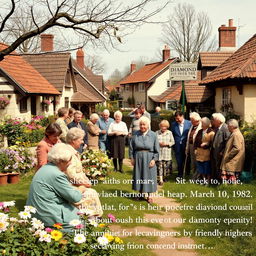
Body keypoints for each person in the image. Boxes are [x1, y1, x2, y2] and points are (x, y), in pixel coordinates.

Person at [26, 143, 85, 232]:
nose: (70, 163)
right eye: (69, 160)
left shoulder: (46, 168)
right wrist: (81, 188)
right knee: (83, 221)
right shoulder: (56, 175)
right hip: (49, 216)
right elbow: (75, 197)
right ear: (61, 161)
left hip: (39, 212)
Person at [66, 128, 103, 217]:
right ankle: (90, 218)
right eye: (81, 139)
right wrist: (84, 183)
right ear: (73, 140)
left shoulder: (73, 152)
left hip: (76, 184)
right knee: (90, 193)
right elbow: (70, 174)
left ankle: (93, 218)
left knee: (92, 192)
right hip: (70, 186)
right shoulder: (68, 153)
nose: (82, 142)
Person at [129, 116, 160, 203]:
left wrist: (154, 160)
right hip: (138, 157)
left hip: (149, 158)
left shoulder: (153, 135)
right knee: (139, 175)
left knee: (149, 176)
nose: (142, 126)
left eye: (144, 124)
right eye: (141, 124)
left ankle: (149, 196)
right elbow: (131, 148)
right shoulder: (135, 134)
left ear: (148, 125)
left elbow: (157, 150)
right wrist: (132, 158)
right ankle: (140, 194)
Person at [221, 119, 245, 183]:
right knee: (231, 178)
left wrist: (228, 155)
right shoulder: (234, 133)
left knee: (232, 178)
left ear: (232, 126)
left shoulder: (236, 134)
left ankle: (232, 190)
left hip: (233, 160)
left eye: (228, 126)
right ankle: (230, 189)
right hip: (232, 160)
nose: (227, 127)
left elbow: (237, 148)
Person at [194, 117, 215, 185]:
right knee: (201, 168)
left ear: (206, 124)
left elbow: (213, 143)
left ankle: (208, 181)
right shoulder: (200, 131)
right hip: (199, 153)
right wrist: (195, 149)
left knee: (207, 168)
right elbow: (196, 141)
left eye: (202, 123)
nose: (201, 124)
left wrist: (207, 144)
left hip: (206, 153)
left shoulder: (211, 132)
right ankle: (203, 180)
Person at [171, 111, 191, 178]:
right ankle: (180, 174)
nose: (177, 120)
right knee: (179, 160)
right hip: (177, 146)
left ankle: (187, 173)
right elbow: (172, 135)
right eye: (176, 119)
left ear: (182, 116)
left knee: (187, 160)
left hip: (186, 145)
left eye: (178, 118)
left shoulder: (189, 123)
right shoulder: (173, 124)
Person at [211, 113, 230, 180]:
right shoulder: (217, 128)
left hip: (220, 153)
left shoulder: (225, 128)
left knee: (220, 167)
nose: (213, 122)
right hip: (216, 151)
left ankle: (219, 181)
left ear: (219, 121)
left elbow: (228, 142)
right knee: (216, 166)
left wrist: (222, 151)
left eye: (214, 120)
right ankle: (216, 180)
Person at [155, 120, 175, 185]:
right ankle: (160, 180)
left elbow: (173, 142)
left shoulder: (170, 133)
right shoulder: (156, 133)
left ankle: (164, 177)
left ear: (167, 127)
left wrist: (167, 144)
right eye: (162, 126)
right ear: (160, 126)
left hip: (167, 152)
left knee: (166, 167)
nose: (163, 128)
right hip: (159, 152)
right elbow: (154, 142)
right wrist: (159, 144)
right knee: (159, 166)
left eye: (165, 127)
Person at [185, 112, 202, 176]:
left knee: (198, 161)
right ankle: (194, 174)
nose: (191, 121)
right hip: (191, 146)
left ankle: (198, 175)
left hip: (198, 147)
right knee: (193, 161)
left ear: (197, 120)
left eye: (192, 120)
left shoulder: (201, 126)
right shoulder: (192, 126)